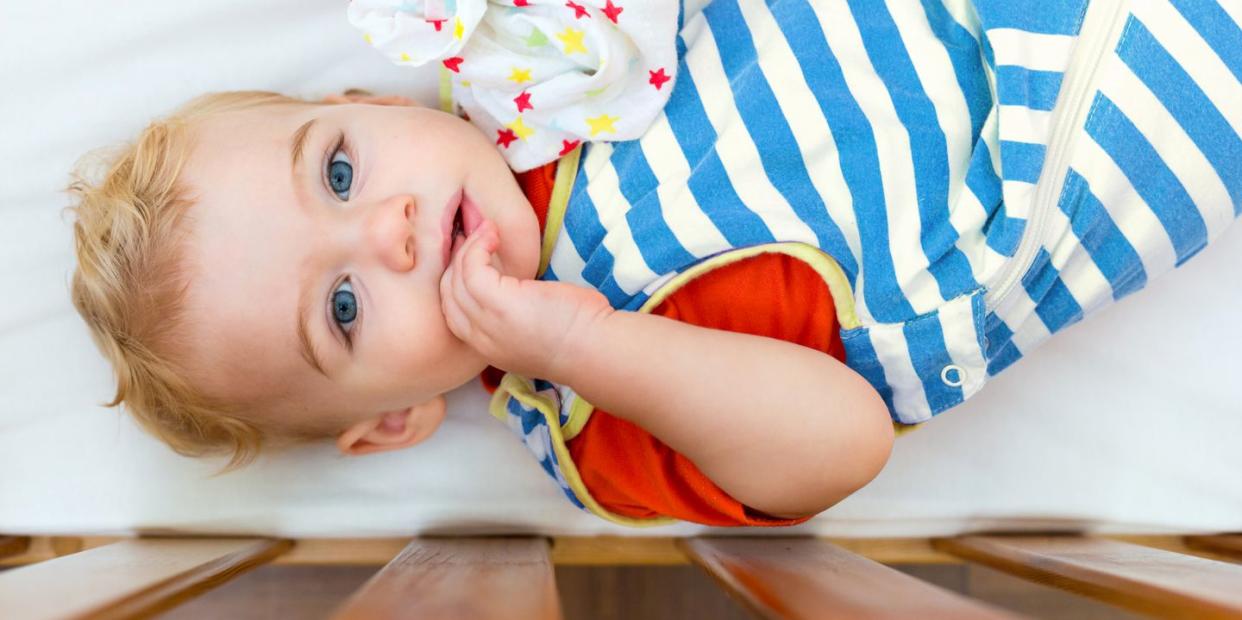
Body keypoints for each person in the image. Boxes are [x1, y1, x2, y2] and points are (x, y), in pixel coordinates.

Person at [66, 0, 1240, 527]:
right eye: (342, 305)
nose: (392, 231)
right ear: (396, 421)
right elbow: (842, 442)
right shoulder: (579, 421)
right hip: (1094, 140)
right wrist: (577, 339)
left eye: (336, 171)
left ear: (369, 98)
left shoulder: (519, 58)